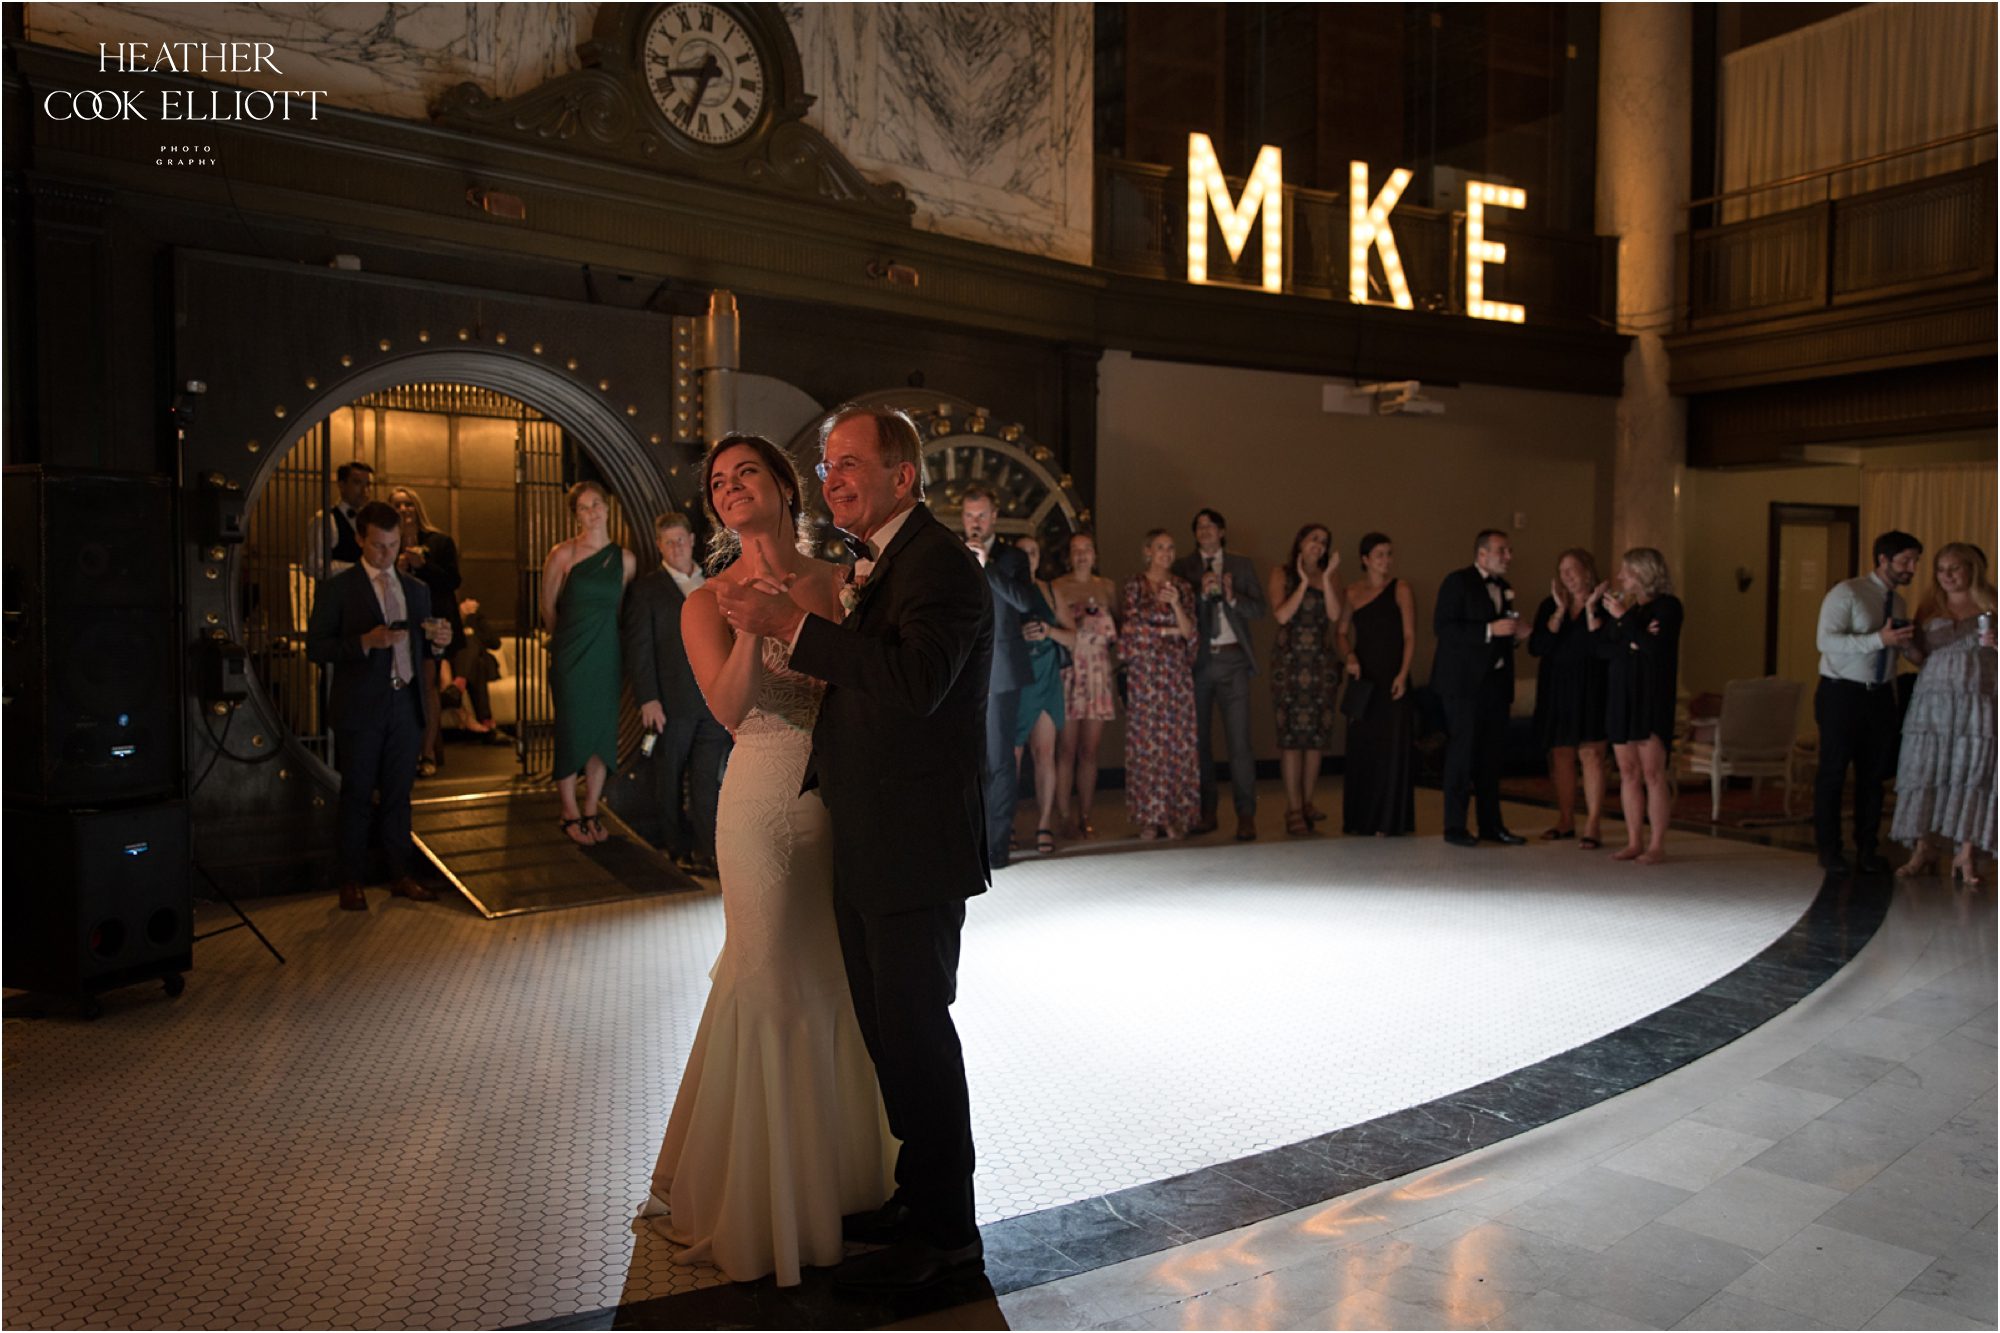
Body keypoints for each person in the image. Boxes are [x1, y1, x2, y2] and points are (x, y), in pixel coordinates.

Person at [712, 404, 992, 1293]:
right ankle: (917, 1196)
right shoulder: (877, 563)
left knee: (918, 1031)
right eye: (826, 464)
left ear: (903, 476)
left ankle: (950, 1233)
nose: (832, 477)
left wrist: (791, 629)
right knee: (887, 1033)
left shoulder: (939, 564)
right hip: (863, 832)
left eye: (849, 463)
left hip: (914, 839)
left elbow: (914, 682)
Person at [642, 434, 895, 1287]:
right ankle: (766, 1196)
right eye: (718, 482)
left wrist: (800, 604)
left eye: (746, 471)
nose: (730, 487)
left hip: (840, 804)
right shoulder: (705, 600)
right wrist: (755, 624)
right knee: (767, 977)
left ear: (787, 487)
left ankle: (844, 1179)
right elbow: (725, 707)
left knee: (833, 978)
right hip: (757, 801)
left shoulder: (838, 581)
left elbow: (868, 686)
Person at [305, 500, 449, 911]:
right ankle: (350, 880)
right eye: (378, 547)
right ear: (360, 541)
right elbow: (317, 648)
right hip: (360, 708)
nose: (387, 555)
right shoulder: (338, 588)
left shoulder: (416, 590)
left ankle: (400, 874)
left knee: (399, 795)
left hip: (405, 704)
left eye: (394, 545)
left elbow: (427, 650)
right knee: (356, 795)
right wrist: (365, 642)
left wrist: (439, 643)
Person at [623, 511, 731, 876]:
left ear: (691, 539)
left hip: (713, 701)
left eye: (681, 539)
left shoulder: (714, 582)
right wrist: (648, 699)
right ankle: (675, 848)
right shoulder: (647, 589)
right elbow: (639, 650)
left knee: (705, 779)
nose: (677, 546)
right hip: (671, 702)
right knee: (668, 776)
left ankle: (708, 850)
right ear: (659, 547)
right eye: (668, 542)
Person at [1813, 530, 1923, 874]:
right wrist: (1879, 638)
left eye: (1915, 561)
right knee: (1833, 772)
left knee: (1873, 777)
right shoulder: (1847, 592)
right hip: (1841, 692)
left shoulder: (1900, 603)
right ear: (1883, 559)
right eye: (1906, 560)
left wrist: (1902, 646)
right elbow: (1825, 641)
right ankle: (1829, 850)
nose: (1912, 568)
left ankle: (1867, 849)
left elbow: (1892, 649)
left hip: (1880, 696)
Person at [1892, 542, 1997, 884]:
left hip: (1976, 699)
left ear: (1971, 569)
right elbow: (1920, 656)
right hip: (1933, 700)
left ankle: (1966, 853)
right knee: (1926, 767)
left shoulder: (1991, 602)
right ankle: (1924, 847)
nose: (1947, 575)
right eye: (1941, 569)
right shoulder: (1930, 605)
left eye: (1955, 568)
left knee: (1971, 771)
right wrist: (1905, 643)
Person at [541, 480, 637, 847]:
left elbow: (619, 609)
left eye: (597, 504)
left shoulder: (626, 560)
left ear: (608, 507)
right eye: (584, 507)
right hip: (569, 654)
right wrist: (565, 643)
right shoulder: (562, 555)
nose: (593, 512)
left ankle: (592, 808)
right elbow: (548, 607)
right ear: (576, 515)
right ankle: (568, 810)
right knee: (570, 728)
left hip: (606, 654)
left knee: (601, 732)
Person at [1172, 509, 1269, 841]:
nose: (1204, 531)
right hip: (1198, 662)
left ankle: (1246, 814)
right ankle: (1205, 811)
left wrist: (1231, 597)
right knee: (1199, 743)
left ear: (1222, 530)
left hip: (1233, 659)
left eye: (1210, 526)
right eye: (1198, 527)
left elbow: (1259, 609)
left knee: (1239, 742)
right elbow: (1176, 614)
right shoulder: (1183, 567)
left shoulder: (1240, 565)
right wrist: (1200, 595)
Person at [1587, 548, 1684, 865]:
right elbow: (1602, 649)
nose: (1619, 578)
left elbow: (1655, 650)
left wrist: (1628, 629)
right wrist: (1632, 636)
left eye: (1626, 572)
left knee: (1653, 772)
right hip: (1621, 695)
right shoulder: (1629, 611)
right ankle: (1633, 840)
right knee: (1627, 772)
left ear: (1643, 573)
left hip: (1650, 697)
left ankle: (1657, 843)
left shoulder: (1668, 608)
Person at [1432, 529, 1525, 848]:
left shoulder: (1505, 588)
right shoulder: (1457, 582)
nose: (1508, 557)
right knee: (1462, 755)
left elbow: (1501, 635)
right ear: (1482, 554)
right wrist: (1488, 629)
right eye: (1502, 551)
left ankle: (1491, 825)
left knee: (1491, 757)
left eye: (1509, 551)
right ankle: (1454, 826)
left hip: (1495, 686)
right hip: (1463, 685)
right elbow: (1443, 627)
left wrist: (1513, 634)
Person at [960, 484, 1035, 869]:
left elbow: (1025, 602)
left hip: (1002, 670)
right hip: (961, 670)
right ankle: (967, 841)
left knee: (999, 760)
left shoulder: (1012, 557)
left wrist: (986, 564)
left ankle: (997, 844)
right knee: (965, 759)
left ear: (994, 518)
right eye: (969, 515)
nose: (975, 522)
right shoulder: (953, 553)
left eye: (982, 515)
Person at [1335, 532, 1416, 836]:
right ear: (1365, 559)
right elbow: (1340, 633)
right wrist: (1350, 656)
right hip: (1364, 676)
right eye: (1380, 554)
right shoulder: (1352, 593)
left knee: (1392, 748)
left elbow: (1409, 635)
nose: (1386, 560)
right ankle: (1361, 819)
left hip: (1393, 676)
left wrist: (1403, 673)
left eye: (1389, 553)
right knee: (1364, 747)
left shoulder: (1401, 588)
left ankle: (1389, 820)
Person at [1529, 548, 1612, 848]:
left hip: (1592, 687)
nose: (1566, 576)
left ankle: (1593, 823)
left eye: (1572, 570)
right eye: (1562, 571)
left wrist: (1590, 609)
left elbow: (1602, 646)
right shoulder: (1550, 605)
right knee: (1561, 754)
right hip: (1557, 688)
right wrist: (1560, 611)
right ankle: (1565, 819)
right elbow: (1538, 646)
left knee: (1591, 755)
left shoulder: (1605, 605)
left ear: (1588, 572)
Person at [1124, 529, 1201, 840]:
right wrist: (1165, 631)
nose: (1166, 553)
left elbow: (1189, 633)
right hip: (1145, 675)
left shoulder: (1182, 586)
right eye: (1160, 547)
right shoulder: (1135, 585)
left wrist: (1175, 608)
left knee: (1175, 744)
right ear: (1148, 551)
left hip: (1175, 675)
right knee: (1146, 746)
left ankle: (1172, 816)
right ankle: (1148, 818)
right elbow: (1132, 630)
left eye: (1171, 547)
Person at [1267, 523, 1343, 836]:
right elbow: (1282, 615)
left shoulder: (1330, 576)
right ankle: (1293, 807)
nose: (1319, 546)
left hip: (1320, 664)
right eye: (1314, 539)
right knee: (1291, 739)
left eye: (1324, 542)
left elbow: (1335, 616)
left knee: (1315, 740)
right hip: (1289, 662)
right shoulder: (1280, 573)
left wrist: (1324, 579)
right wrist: (1301, 582)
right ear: (1300, 541)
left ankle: (1309, 802)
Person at [1050, 531, 1118, 840]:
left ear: (1095, 554)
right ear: (1069, 555)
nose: (1082, 555)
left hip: (1098, 674)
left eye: (1087, 549)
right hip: (1069, 673)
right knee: (1066, 749)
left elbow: (1119, 631)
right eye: (1076, 550)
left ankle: (1085, 815)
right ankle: (1064, 815)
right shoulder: (1059, 586)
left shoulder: (1107, 587)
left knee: (1090, 751)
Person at [390, 485, 462, 778]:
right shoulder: (386, 543)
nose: (404, 510)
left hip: (433, 624)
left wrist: (424, 564)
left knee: (428, 683)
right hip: (399, 625)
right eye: (397, 505)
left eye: (408, 504)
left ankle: (427, 751)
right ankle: (400, 751)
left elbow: (453, 581)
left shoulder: (440, 541)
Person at [1012, 535, 1076, 856]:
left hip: (1046, 680)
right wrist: (1018, 634)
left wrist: (1049, 632)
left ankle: (1044, 823)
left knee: (1045, 753)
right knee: (1012, 758)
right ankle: (1006, 825)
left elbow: (1074, 638)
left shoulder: (1051, 591)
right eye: (1022, 554)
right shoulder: (1005, 587)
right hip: (1015, 683)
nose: (1029, 559)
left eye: (1033, 553)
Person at [301, 460, 373, 580]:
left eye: (368, 484)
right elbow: (311, 566)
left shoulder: (370, 520)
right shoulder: (325, 520)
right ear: (341, 485)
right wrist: (356, 568)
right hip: (335, 596)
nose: (364, 490)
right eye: (357, 483)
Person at [450, 594, 504, 739]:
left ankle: (458, 685)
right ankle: (487, 721)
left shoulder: (476, 618)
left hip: (480, 663)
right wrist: (460, 618)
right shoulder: (450, 616)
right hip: (455, 664)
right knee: (475, 660)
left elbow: (495, 643)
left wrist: (472, 622)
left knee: (471, 642)